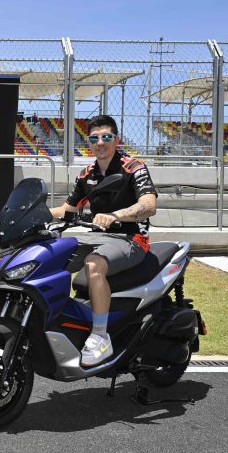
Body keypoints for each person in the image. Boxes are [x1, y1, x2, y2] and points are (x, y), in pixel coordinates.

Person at [50, 115, 157, 366]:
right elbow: (68, 209)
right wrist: (34, 214)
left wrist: (116, 215)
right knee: (49, 256)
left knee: (93, 263)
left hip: (131, 238)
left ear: (116, 140)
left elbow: (149, 206)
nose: (100, 143)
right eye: (94, 138)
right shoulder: (86, 174)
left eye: (106, 137)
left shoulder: (133, 167)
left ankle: (100, 336)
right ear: (89, 143)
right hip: (98, 236)